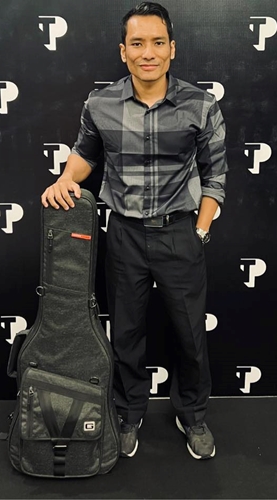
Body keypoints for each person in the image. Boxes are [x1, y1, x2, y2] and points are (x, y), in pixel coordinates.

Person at [41, 1, 227, 460]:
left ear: (172, 49)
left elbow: (215, 177)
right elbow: (85, 155)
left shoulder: (201, 105)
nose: (149, 52)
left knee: (190, 335)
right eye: (138, 43)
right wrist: (65, 179)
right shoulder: (100, 104)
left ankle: (193, 415)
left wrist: (199, 231)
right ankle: (128, 413)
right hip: (123, 235)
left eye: (158, 43)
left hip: (180, 234)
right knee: (124, 334)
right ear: (123, 51)